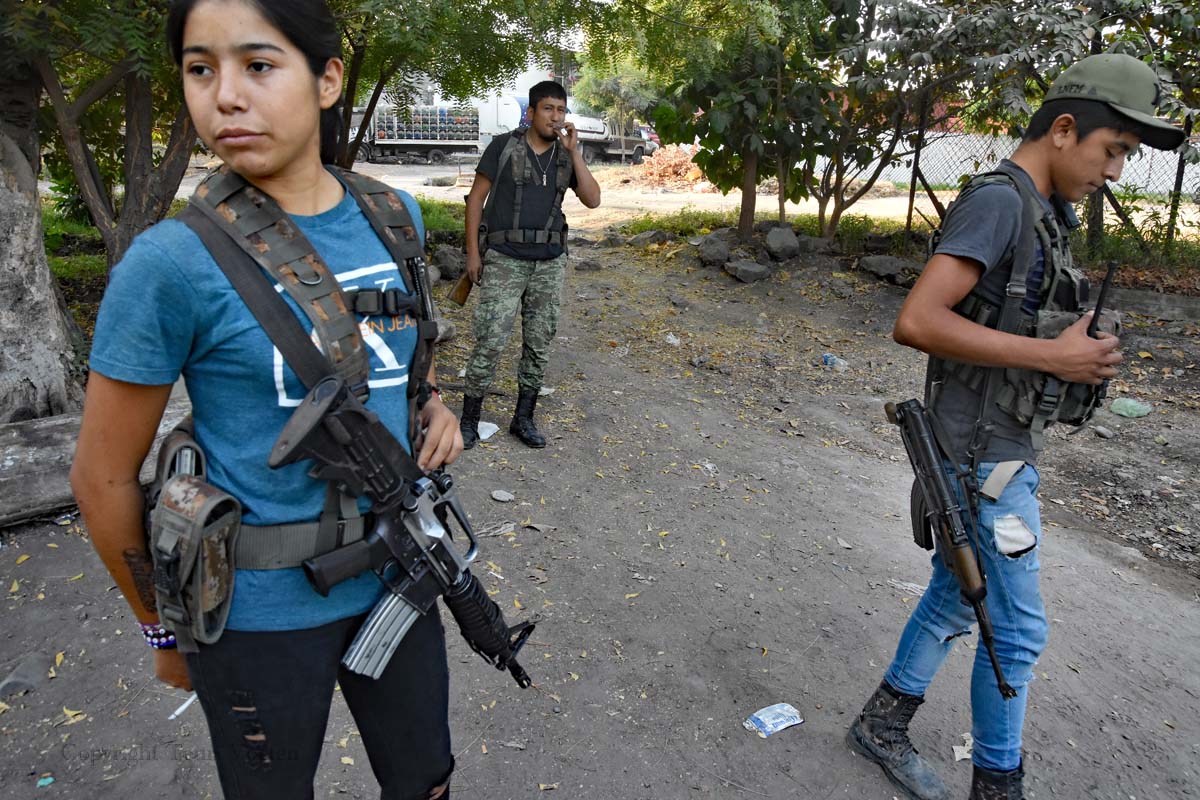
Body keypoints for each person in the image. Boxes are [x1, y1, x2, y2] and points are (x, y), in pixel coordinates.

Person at [69, 1, 463, 797]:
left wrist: (432, 408)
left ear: (326, 80)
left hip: (399, 575)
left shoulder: (394, 216)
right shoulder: (171, 265)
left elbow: (403, 365)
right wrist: (162, 625)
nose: (225, 96)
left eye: (258, 65)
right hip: (256, 617)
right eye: (199, 69)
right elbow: (102, 478)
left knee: (426, 778)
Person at [845, 54, 1184, 800]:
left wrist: (1076, 353)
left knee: (951, 597)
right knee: (1018, 632)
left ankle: (882, 723)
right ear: (1064, 129)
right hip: (980, 460)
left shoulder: (1040, 208)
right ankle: (999, 786)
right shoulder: (1001, 202)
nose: (1118, 172)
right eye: (1115, 150)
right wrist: (1054, 356)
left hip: (997, 449)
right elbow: (917, 320)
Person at [458, 81, 601, 449]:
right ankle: (469, 419)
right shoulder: (503, 147)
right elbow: (475, 200)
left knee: (539, 342)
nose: (556, 117)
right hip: (505, 260)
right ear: (532, 112)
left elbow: (593, 200)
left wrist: (576, 153)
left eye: (561, 110)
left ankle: (523, 418)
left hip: (549, 264)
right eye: (548, 109)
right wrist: (473, 253)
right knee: (490, 339)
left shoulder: (566, 155)